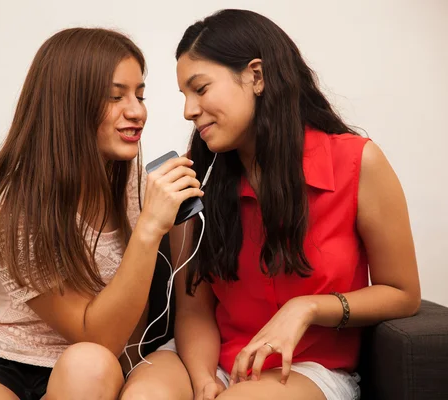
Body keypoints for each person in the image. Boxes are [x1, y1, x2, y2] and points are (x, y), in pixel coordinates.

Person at [123, 9, 420, 400]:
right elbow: (193, 309)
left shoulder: (358, 163)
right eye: (184, 96)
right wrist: (203, 380)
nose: (188, 111)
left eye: (201, 89)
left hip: (306, 368)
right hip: (207, 358)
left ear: (256, 76)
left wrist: (306, 308)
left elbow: (402, 292)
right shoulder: (196, 179)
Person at [0, 27, 203, 400]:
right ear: (68, 105)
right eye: (116, 96)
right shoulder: (13, 207)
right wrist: (150, 228)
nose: (137, 111)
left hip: (88, 374)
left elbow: (123, 336)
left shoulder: (128, 183)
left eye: (140, 95)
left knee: (90, 363)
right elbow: (94, 332)